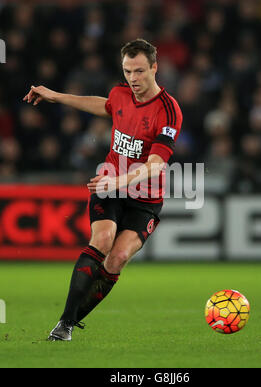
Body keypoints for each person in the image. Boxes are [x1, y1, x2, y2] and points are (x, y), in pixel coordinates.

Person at [23, 38, 183, 341]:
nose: (133, 79)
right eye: (127, 71)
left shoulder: (168, 111)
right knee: (103, 239)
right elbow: (105, 105)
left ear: (154, 68)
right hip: (108, 184)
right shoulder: (120, 93)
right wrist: (56, 96)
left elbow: (156, 164)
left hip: (144, 198)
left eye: (139, 71)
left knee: (118, 257)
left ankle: (68, 320)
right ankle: (64, 326)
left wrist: (118, 181)